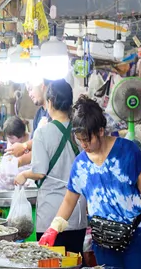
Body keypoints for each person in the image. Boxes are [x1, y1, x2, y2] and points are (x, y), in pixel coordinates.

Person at [39, 97, 141, 269]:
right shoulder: (80, 164)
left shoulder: (128, 151)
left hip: (136, 238)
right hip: (103, 242)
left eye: (88, 139)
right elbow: (69, 199)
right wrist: (54, 228)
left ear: (101, 131)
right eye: (80, 139)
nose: (84, 144)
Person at [14, 80, 87, 254]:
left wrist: (24, 175)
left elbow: (39, 172)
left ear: (51, 101)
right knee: (74, 266)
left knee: (51, 266)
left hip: (51, 214)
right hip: (77, 214)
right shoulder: (80, 130)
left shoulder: (42, 132)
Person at [9, 81, 50, 166]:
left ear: (42, 86)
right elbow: (34, 147)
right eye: (28, 91)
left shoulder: (54, 113)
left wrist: (23, 147)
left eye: (31, 89)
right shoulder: (39, 113)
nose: (30, 94)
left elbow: (44, 145)